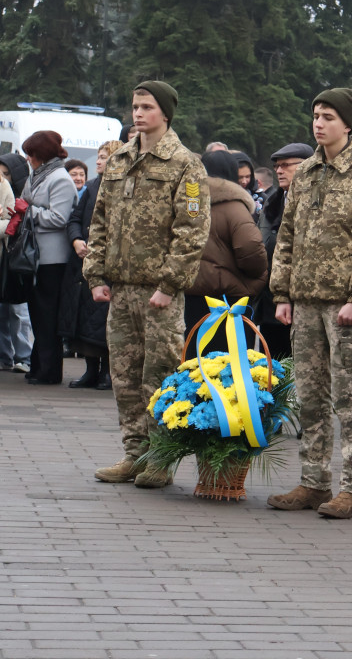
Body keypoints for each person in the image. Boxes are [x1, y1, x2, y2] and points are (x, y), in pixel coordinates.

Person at [267, 88, 352, 519]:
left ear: (348, 124)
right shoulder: (305, 172)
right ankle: (314, 482)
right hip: (304, 301)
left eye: (328, 117)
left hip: (344, 305)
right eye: (316, 116)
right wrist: (281, 293)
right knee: (310, 395)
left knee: (349, 395)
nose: (319, 124)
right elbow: (287, 236)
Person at [85, 80, 210, 488]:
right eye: (135, 106)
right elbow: (100, 220)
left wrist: (170, 284)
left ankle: (161, 457)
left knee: (159, 375)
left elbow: (191, 231)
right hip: (121, 288)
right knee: (124, 376)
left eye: (147, 107)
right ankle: (133, 453)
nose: (138, 113)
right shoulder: (120, 159)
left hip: (159, 292)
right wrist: (96, 275)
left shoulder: (185, 163)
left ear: (166, 114)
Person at [182, 151, 268, 349]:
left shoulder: (188, 205)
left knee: (193, 365)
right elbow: (251, 250)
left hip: (189, 296)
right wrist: (258, 279)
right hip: (228, 302)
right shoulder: (235, 209)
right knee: (229, 369)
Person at [17, 131, 79, 385]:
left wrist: (28, 212)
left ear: (41, 155)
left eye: (31, 154)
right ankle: (39, 365)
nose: (28, 159)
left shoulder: (60, 178)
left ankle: (49, 370)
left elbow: (58, 218)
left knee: (47, 314)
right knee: (37, 313)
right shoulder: (37, 175)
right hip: (36, 255)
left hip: (53, 258)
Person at [60, 139, 123, 389]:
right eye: (98, 156)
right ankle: (90, 370)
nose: (97, 161)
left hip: (108, 264)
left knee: (104, 321)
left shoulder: (121, 186)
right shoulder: (92, 185)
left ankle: (107, 372)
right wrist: (76, 240)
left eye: (104, 157)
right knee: (84, 320)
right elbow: (75, 218)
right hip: (85, 264)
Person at [257, 142, 314, 359]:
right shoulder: (273, 200)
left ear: (304, 166)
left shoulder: (315, 203)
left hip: (301, 301)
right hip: (271, 299)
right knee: (271, 367)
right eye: (277, 166)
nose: (279, 170)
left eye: (285, 165)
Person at [0, 154, 32, 374]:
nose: (4, 176)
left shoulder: (3, 187)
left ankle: (24, 356)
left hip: (7, 258)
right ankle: (4, 356)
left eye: (6, 173)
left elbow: (12, 221)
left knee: (16, 311)